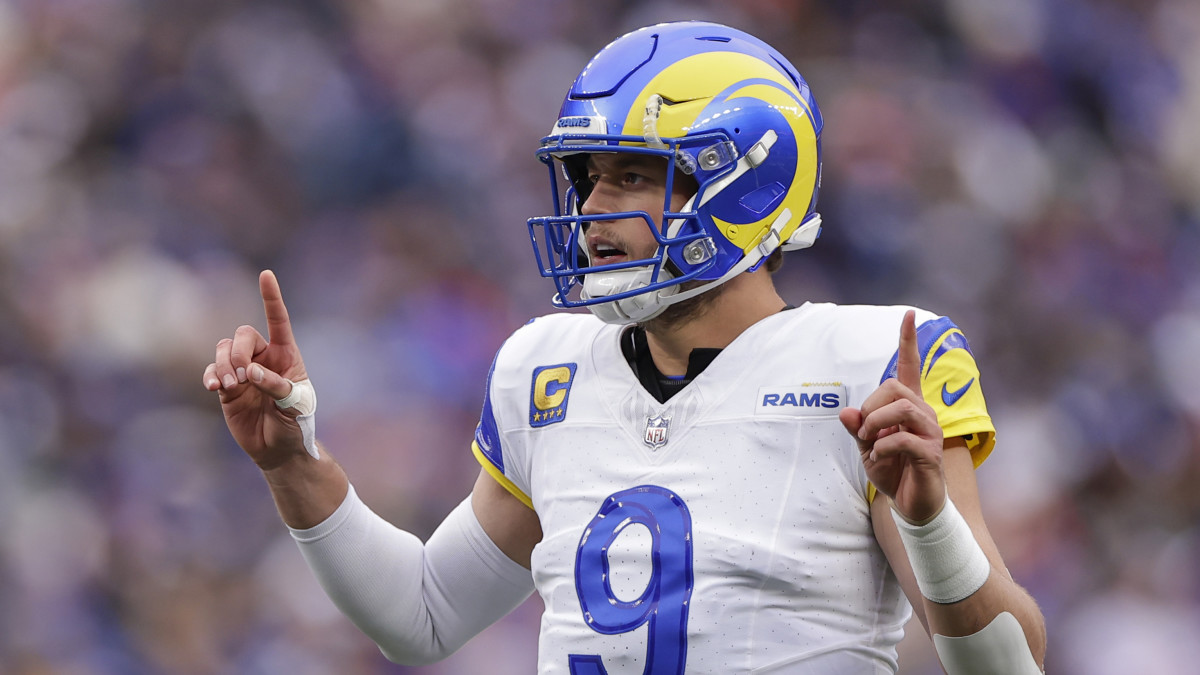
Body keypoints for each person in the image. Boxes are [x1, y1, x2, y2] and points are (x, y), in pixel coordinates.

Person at [204, 21, 1046, 674]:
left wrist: (930, 521)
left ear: (744, 179)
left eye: (634, 174)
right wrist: (294, 465)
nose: (595, 207)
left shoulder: (873, 361)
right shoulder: (548, 367)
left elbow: (1008, 665)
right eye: (589, 176)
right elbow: (421, 616)